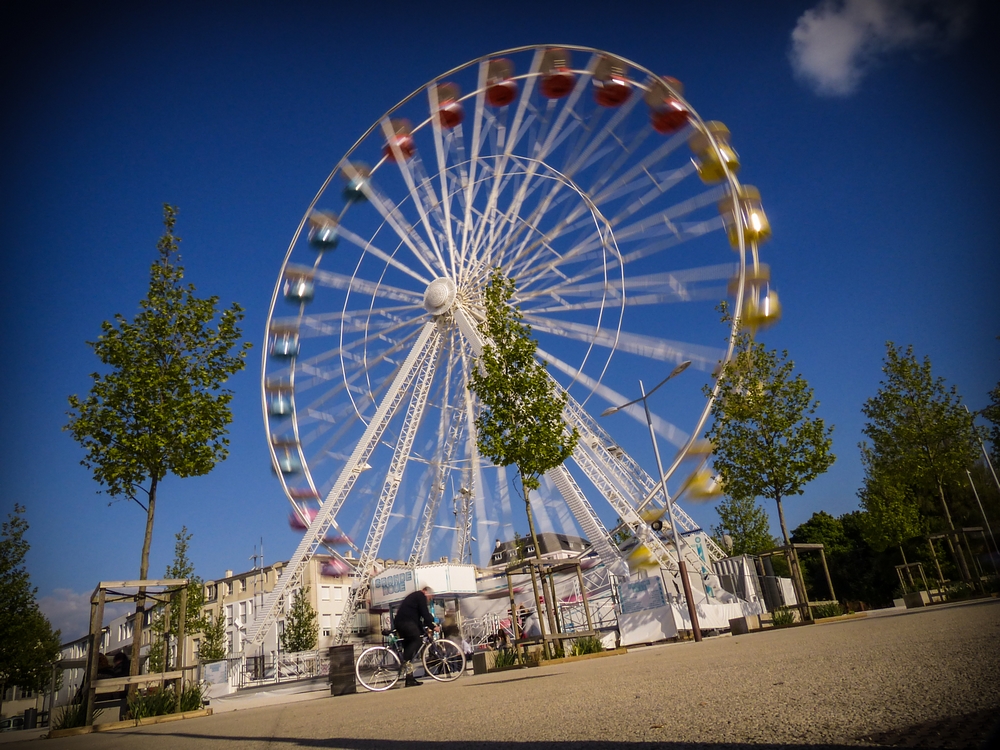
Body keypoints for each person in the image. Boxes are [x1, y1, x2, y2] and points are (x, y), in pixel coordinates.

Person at [393, 586, 438, 687]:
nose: (429, 600)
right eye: (430, 598)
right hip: (405, 623)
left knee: (410, 649)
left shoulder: (415, 597)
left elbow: (417, 618)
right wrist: (432, 626)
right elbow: (424, 613)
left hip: (403, 623)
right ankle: (405, 662)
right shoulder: (420, 596)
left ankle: (409, 679)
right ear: (427, 593)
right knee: (416, 640)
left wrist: (423, 629)